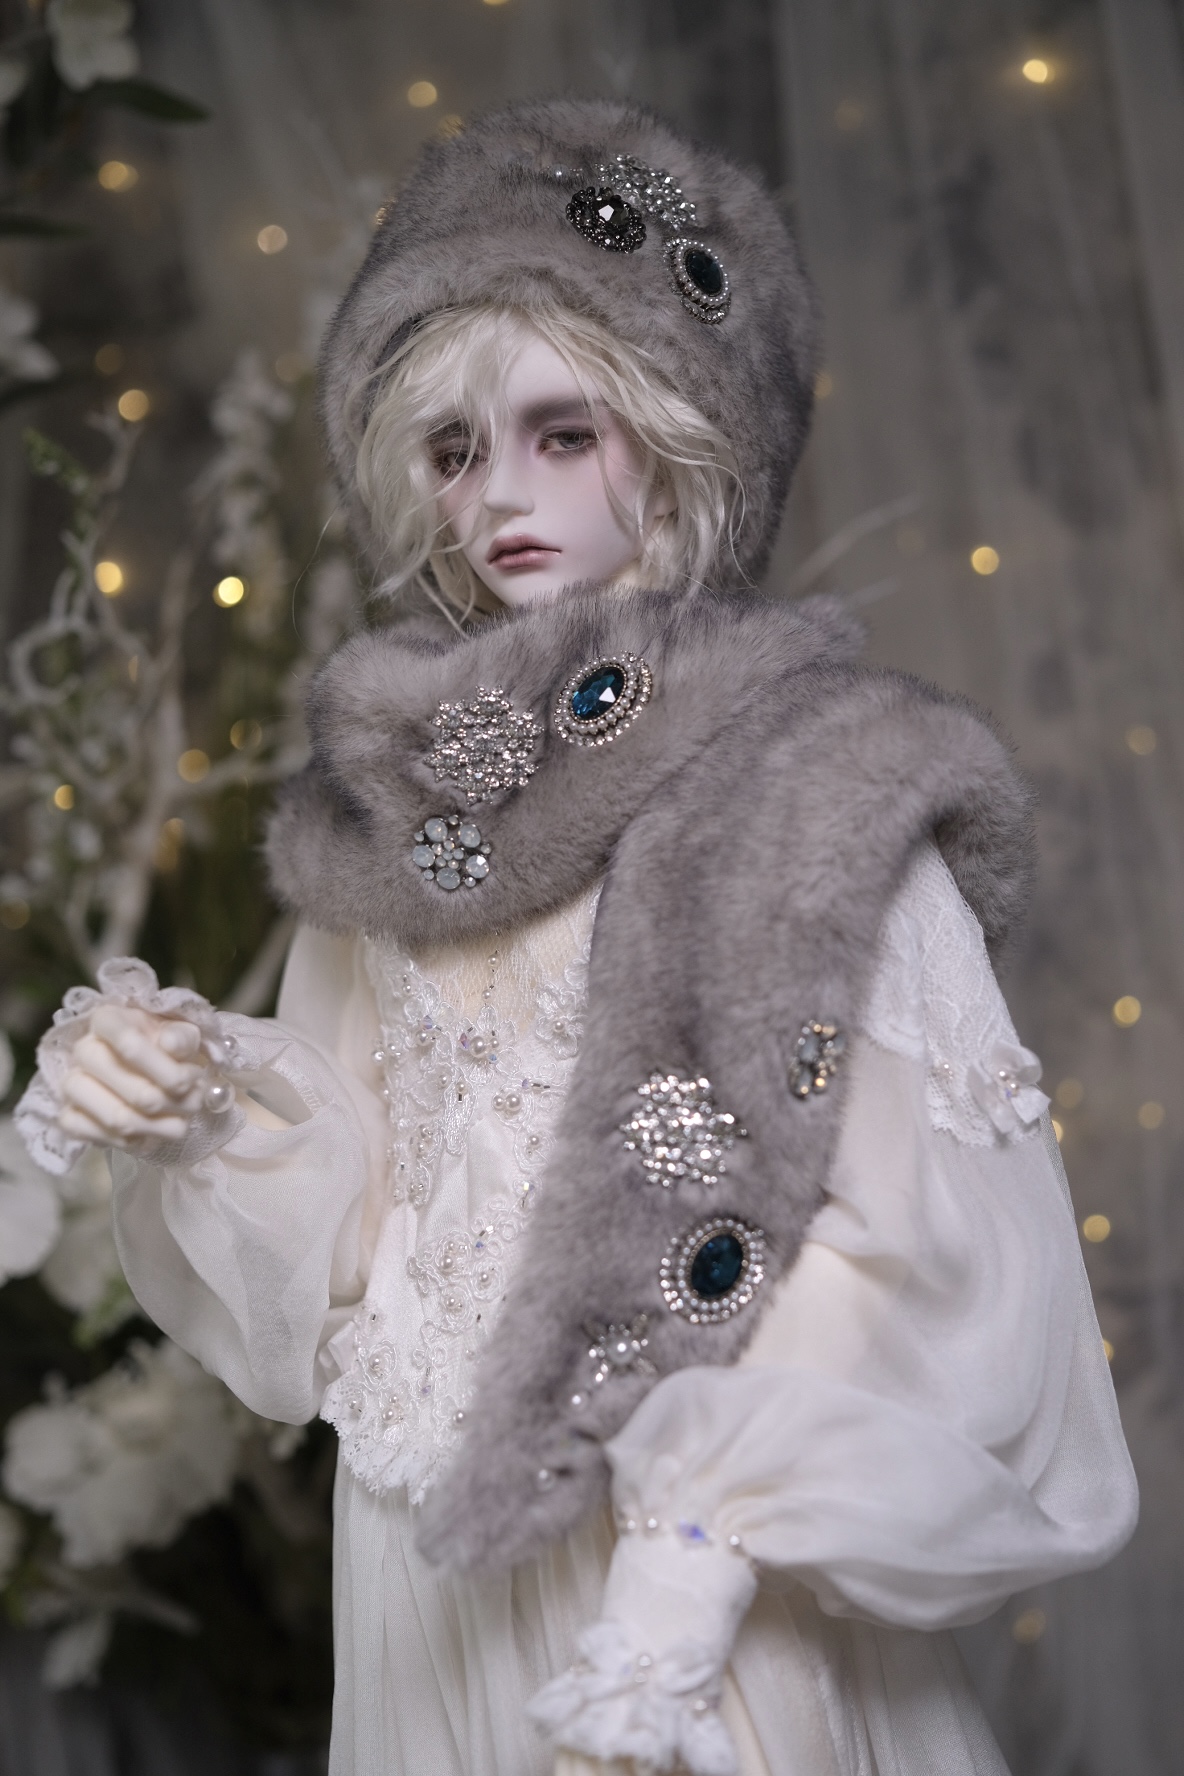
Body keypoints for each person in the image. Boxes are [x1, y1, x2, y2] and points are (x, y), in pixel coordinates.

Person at [17, 99, 1137, 1776]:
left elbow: (909, 1230)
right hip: (429, 1578)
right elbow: (355, 1230)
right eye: (454, 452)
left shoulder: (822, 784)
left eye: (562, 434)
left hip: (696, 1578)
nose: (499, 497)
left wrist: (690, 1562)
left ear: (678, 444)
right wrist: (191, 1102)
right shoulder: (392, 822)